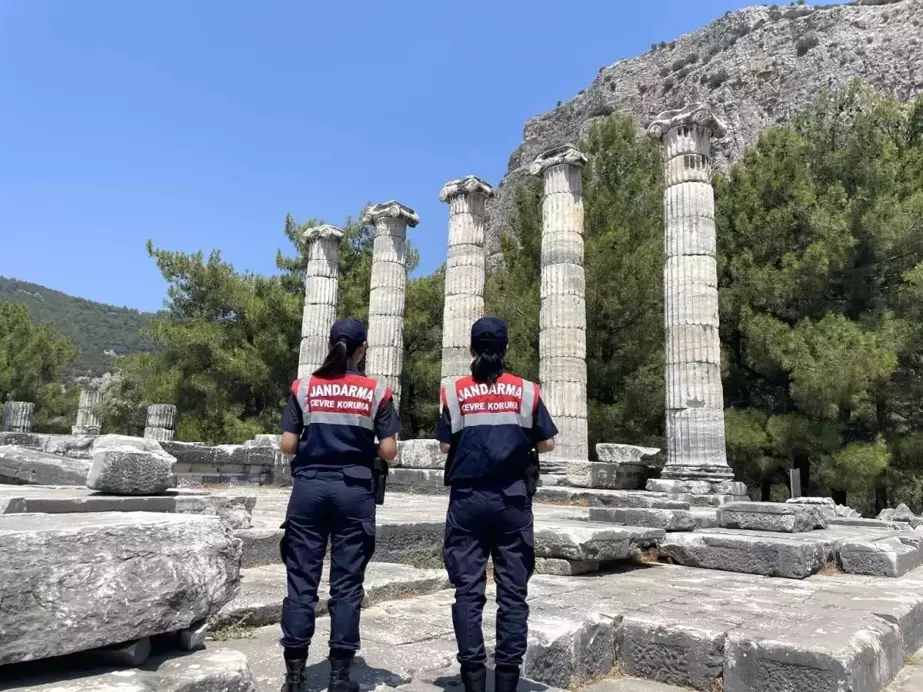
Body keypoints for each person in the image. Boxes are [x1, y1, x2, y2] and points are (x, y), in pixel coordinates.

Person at [278, 318, 401, 692]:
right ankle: (339, 677)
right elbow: (390, 451)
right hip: (355, 491)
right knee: (347, 585)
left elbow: (287, 444)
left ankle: (295, 676)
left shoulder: (304, 387)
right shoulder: (377, 391)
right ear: (362, 349)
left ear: (330, 345)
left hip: (309, 489)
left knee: (301, 581)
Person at [437, 316, 558, 692]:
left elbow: (444, 445)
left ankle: (473, 678)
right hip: (512, 499)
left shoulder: (454, 392)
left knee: (468, 591)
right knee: (512, 590)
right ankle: (506, 679)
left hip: (468, 500)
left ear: (471, 350)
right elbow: (548, 443)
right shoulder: (526, 391)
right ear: (506, 350)